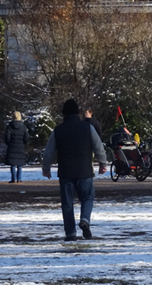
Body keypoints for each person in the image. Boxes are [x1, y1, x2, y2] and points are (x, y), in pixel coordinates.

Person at [42, 99, 108, 240]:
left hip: (65, 171)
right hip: (84, 170)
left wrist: (46, 168)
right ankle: (84, 219)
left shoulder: (58, 130)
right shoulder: (87, 128)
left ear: (64, 113)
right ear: (77, 112)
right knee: (88, 197)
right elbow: (98, 146)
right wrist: (103, 163)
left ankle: (70, 232)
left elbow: (49, 151)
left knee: (67, 203)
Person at [3, 112, 30, 183]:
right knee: (19, 164)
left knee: (12, 164)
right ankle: (19, 179)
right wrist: (23, 142)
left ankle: (13, 179)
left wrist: (8, 143)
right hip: (20, 146)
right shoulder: (23, 126)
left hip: (12, 146)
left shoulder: (10, 126)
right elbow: (26, 137)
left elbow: (7, 137)